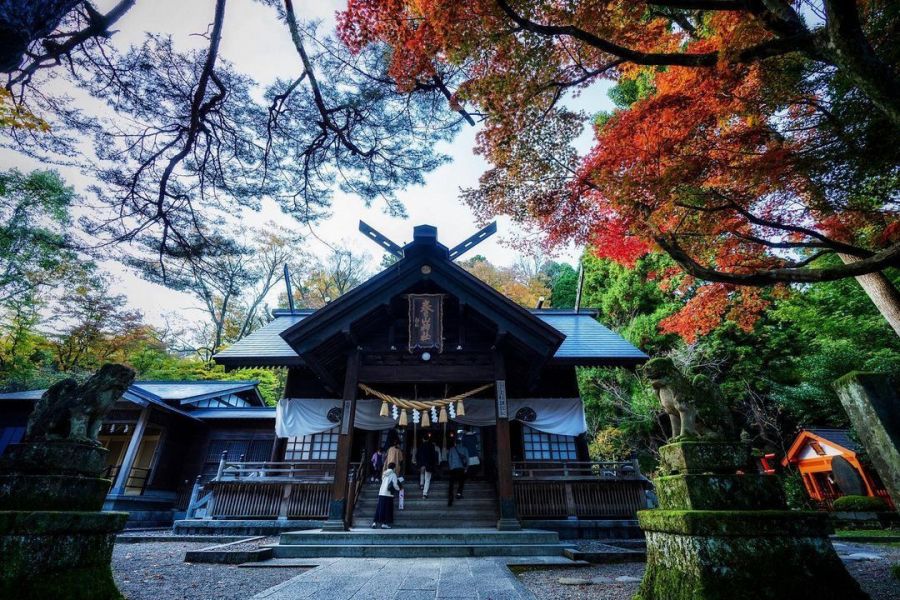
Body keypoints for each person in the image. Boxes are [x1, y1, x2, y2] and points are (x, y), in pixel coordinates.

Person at [373, 461, 401, 529]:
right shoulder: (393, 474)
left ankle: (374, 523)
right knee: (387, 509)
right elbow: (395, 485)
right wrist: (399, 489)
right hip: (388, 494)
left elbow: (383, 481)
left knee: (379, 508)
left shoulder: (384, 473)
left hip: (381, 492)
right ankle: (384, 523)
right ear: (394, 468)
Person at [446, 437, 468, 506]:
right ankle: (459, 493)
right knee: (461, 481)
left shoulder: (452, 449)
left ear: (455, 443)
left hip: (453, 468)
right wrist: (466, 468)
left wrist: (450, 467)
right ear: (461, 443)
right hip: (461, 468)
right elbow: (467, 459)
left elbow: (449, 459)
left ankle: (450, 496)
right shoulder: (465, 449)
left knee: (451, 483)